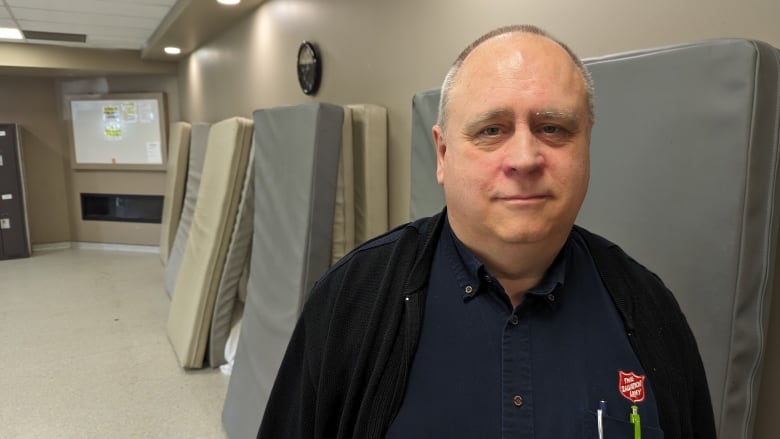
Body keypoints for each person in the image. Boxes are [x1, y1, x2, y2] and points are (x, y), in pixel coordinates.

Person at [257, 24, 716, 439]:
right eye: (492, 130)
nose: (524, 158)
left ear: (586, 146)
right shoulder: (352, 301)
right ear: (442, 153)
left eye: (552, 128)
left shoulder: (651, 311)